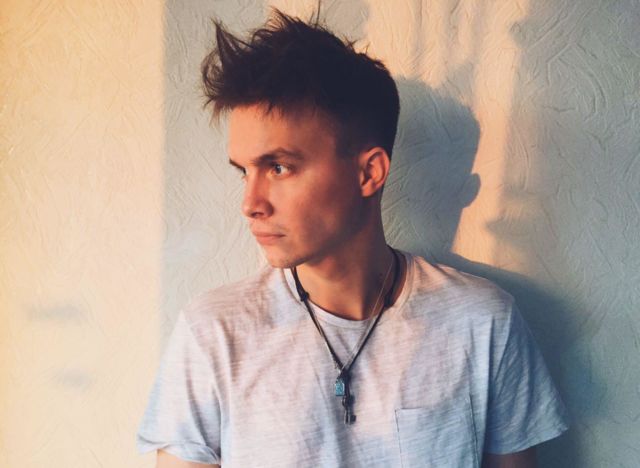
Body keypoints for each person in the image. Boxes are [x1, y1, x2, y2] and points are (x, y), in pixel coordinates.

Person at [136, 9, 569, 468]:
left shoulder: (483, 324)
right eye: (245, 171)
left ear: (369, 172)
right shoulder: (214, 334)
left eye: (278, 167)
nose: (251, 203)